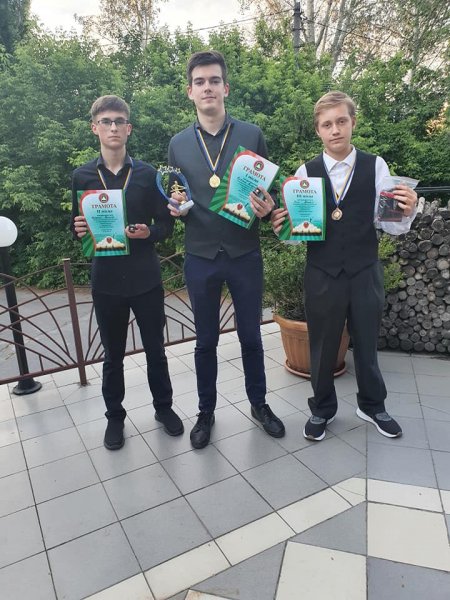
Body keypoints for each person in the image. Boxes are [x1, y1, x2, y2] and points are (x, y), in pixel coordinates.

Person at [272, 91, 418, 442]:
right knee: (322, 346)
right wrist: (283, 229)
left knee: (367, 343)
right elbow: (298, 234)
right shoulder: (305, 173)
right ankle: (322, 409)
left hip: (365, 270)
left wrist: (408, 210)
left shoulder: (375, 165)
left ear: (353, 122)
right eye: (327, 124)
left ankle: (372, 406)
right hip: (322, 272)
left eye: (341, 121)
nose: (335, 129)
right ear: (318, 130)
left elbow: (390, 224)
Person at [167, 50, 285, 449]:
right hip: (200, 255)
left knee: (251, 336)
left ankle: (259, 404)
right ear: (190, 91)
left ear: (226, 88)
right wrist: (176, 208)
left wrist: (267, 207)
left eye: (214, 81)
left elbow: (266, 193)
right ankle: (206, 412)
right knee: (205, 342)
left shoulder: (251, 135)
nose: (207, 88)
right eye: (200, 82)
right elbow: (178, 195)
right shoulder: (178, 144)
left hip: (243, 252)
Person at [71, 95, 183, 450]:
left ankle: (163, 408)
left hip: (145, 277)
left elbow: (166, 225)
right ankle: (115, 418)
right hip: (106, 281)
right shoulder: (82, 176)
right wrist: (77, 228)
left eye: (119, 121)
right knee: (113, 356)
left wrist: (149, 232)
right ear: (95, 128)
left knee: (156, 350)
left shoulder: (148, 174)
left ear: (129, 128)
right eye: (106, 121)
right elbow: (77, 228)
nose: (113, 127)